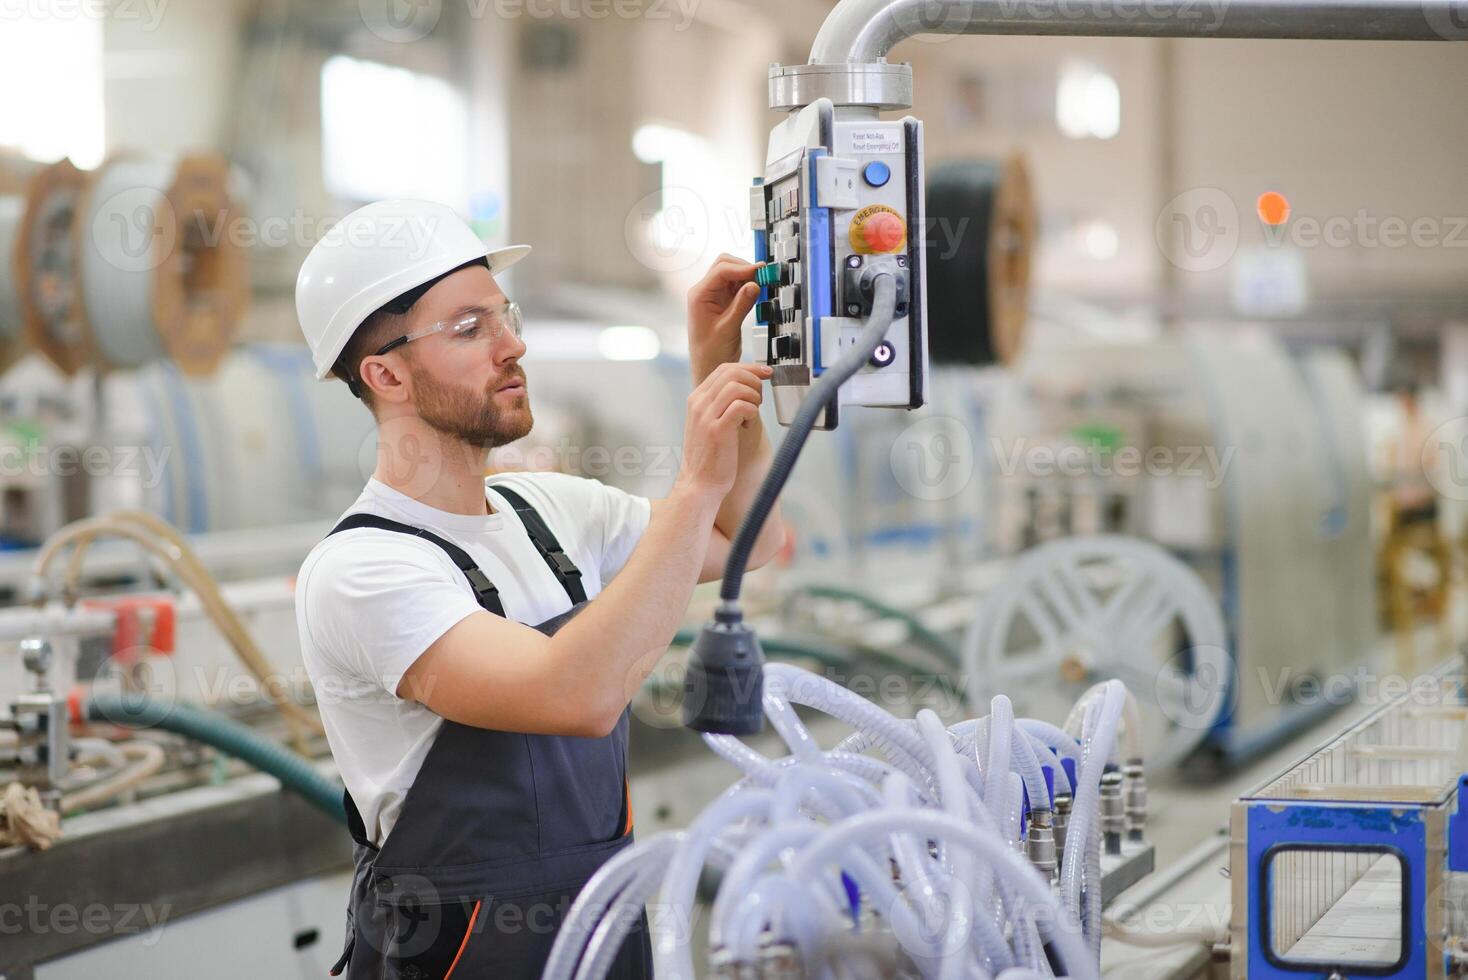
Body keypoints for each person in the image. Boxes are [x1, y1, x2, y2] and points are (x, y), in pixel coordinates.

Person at [292, 199, 784, 978]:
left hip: (600, 932)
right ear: (384, 373)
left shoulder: (550, 509)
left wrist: (717, 373)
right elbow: (576, 695)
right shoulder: (363, 570)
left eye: (503, 315)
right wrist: (692, 485)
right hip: (459, 956)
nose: (512, 345)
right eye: (468, 329)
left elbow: (747, 540)